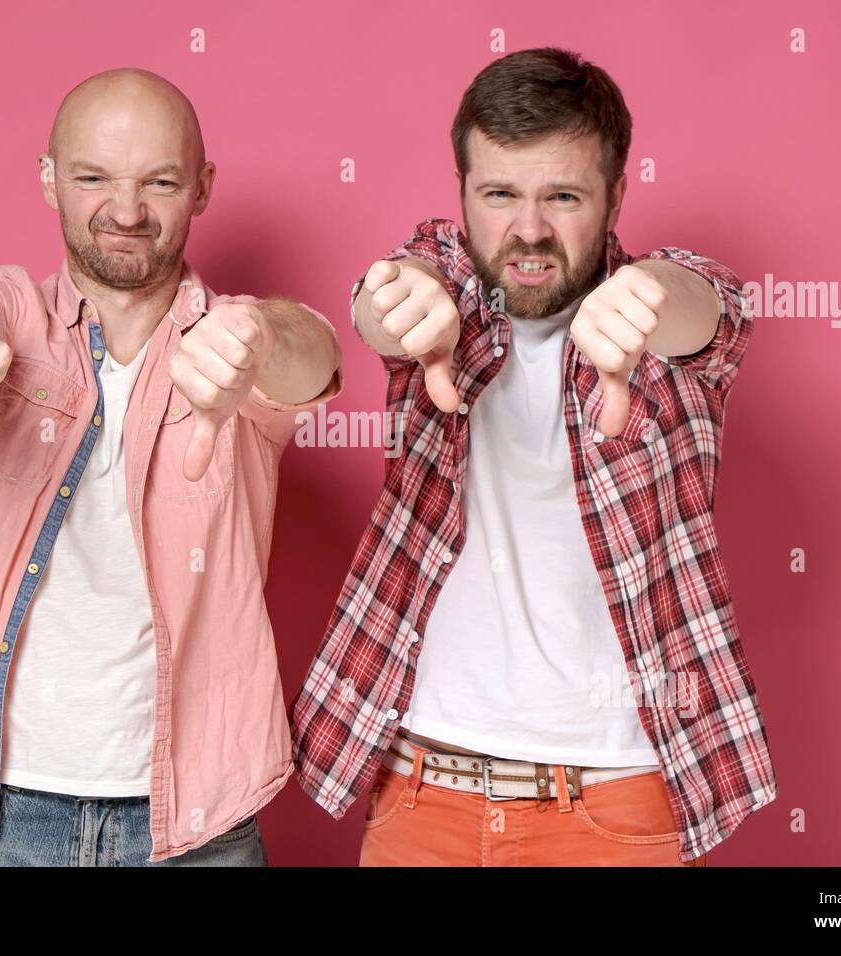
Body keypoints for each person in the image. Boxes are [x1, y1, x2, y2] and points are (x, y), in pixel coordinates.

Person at [290, 47, 776, 866]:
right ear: (464, 195)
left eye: (564, 196)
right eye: (500, 194)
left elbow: (714, 312)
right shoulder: (441, 285)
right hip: (421, 794)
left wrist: (647, 299)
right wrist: (401, 308)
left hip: (614, 806)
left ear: (616, 195)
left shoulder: (671, 320)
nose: (529, 229)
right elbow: (392, 296)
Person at [0, 67, 341, 866]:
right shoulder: (10, 315)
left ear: (202, 187)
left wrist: (263, 334)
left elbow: (312, 353)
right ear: (49, 178)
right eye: (94, 177)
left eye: (159, 182)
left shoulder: (230, 345)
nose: (126, 213)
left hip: (193, 826)